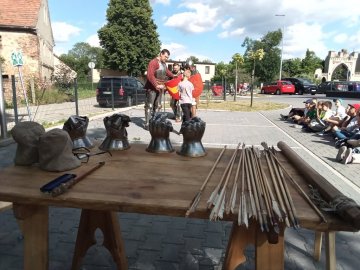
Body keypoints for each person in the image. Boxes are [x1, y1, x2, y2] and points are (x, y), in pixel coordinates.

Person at [144, 49, 174, 130]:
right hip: (152, 88)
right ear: (161, 54)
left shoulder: (164, 64)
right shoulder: (153, 62)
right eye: (165, 56)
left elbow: (167, 72)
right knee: (149, 106)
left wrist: (175, 77)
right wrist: (156, 85)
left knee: (158, 106)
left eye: (167, 57)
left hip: (160, 88)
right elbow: (150, 75)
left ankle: (155, 122)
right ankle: (147, 124)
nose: (166, 58)